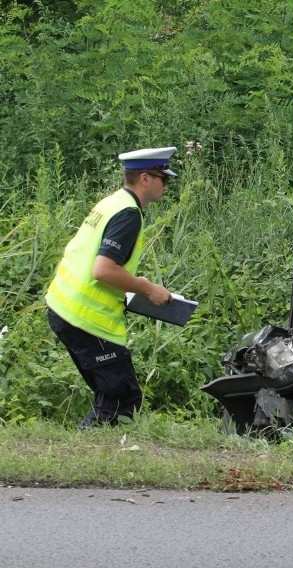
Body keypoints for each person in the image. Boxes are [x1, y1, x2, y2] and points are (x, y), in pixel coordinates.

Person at [45, 147, 177, 429]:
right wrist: (147, 288)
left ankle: (86, 457)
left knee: (113, 396)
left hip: (64, 307)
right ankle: (84, 460)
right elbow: (103, 269)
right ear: (145, 178)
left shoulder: (112, 202)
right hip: (85, 317)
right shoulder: (128, 213)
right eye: (163, 179)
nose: (166, 185)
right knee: (121, 400)